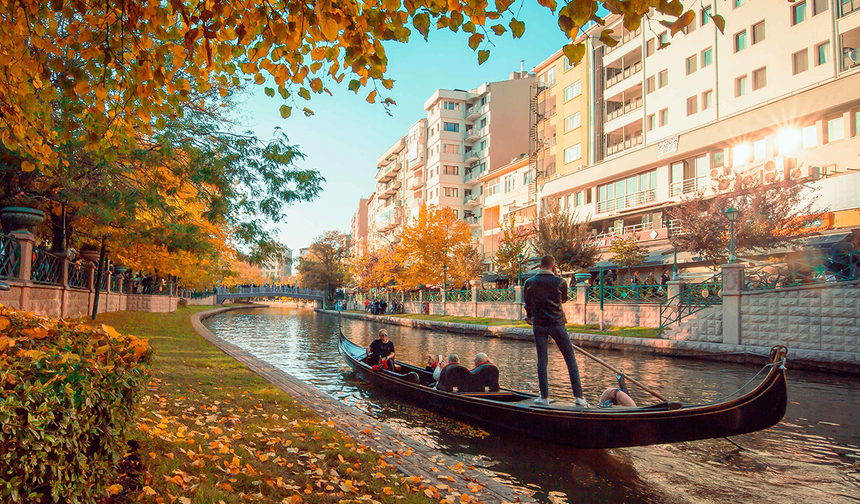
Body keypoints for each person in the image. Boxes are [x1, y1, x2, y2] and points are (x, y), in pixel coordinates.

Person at [523, 255, 588, 408]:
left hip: (538, 324)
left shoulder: (529, 282)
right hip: (557, 324)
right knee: (570, 358)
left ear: (540, 265)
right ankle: (579, 397)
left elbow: (528, 304)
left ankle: (544, 397)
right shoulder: (560, 282)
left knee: (542, 360)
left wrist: (529, 316)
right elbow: (563, 300)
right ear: (553, 266)